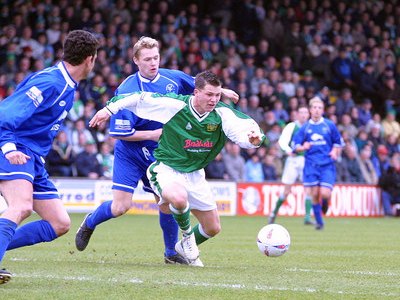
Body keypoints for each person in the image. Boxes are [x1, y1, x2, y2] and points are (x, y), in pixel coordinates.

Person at [75, 37, 239, 265]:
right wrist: (155, 134)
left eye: (156, 58)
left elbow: (200, 86)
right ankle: (90, 222)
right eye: (147, 59)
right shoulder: (127, 88)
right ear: (136, 60)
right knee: (121, 206)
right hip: (131, 153)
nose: (153, 63)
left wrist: (226, 92)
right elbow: (121, 133)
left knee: (166, 203)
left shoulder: (172, 77)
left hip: (161, 153)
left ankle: (171, 253)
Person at [89, 70, 265, 266]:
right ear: (196, 92)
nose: (214, 99)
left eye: (217, 95)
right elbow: (139, 97)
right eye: (209, 94)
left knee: (213, 228)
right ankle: (187, 238)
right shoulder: (175, 105)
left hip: (195, 174)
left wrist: (252, 140)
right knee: (179, 199)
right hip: (166, 169)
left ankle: (180, 247)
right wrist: (109, 110)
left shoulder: (222, 114)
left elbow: (244, 129)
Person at [0, 30, 99, 284]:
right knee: (20, 206)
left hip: (34, 158)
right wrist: (9, 147)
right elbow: (4, 115)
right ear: (90, 59)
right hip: (17, 150)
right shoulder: (50, 82)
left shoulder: (67, 85)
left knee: (59, 222)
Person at [292, 97, 344, 230]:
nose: (316, 110)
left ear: (323, 110)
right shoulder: (305, 128)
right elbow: (295, 145)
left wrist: (334, 151)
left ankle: (325, 202)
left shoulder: (329, 125)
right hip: (311, 165)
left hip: (326, 165)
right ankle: (320, 222)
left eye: (319, 108)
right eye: (314, 107)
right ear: (310, 110)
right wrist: (303, 147)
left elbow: (338, 142)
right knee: (314, 194)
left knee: (325, 193)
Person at [268, 106, 313, 225]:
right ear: (297, 114)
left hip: (306, 160)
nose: (303, 115)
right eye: (301, 112)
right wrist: (288, 150)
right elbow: (283, 141)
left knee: (309, 188)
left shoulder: (311, 127)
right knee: (287, 190)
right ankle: (274, 213)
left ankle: (307, 217)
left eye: (305, 113)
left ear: (308, 115)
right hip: (293, 160)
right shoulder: (292, 126)